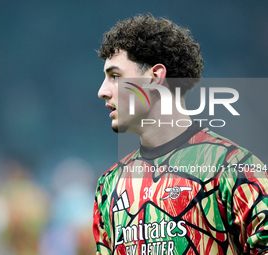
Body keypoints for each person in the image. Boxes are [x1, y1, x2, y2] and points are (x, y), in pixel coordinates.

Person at [93, 13, 268, 255]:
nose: (102, 91)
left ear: (155, 77)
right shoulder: (108, 185)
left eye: (115, 76)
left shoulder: (235, 168)